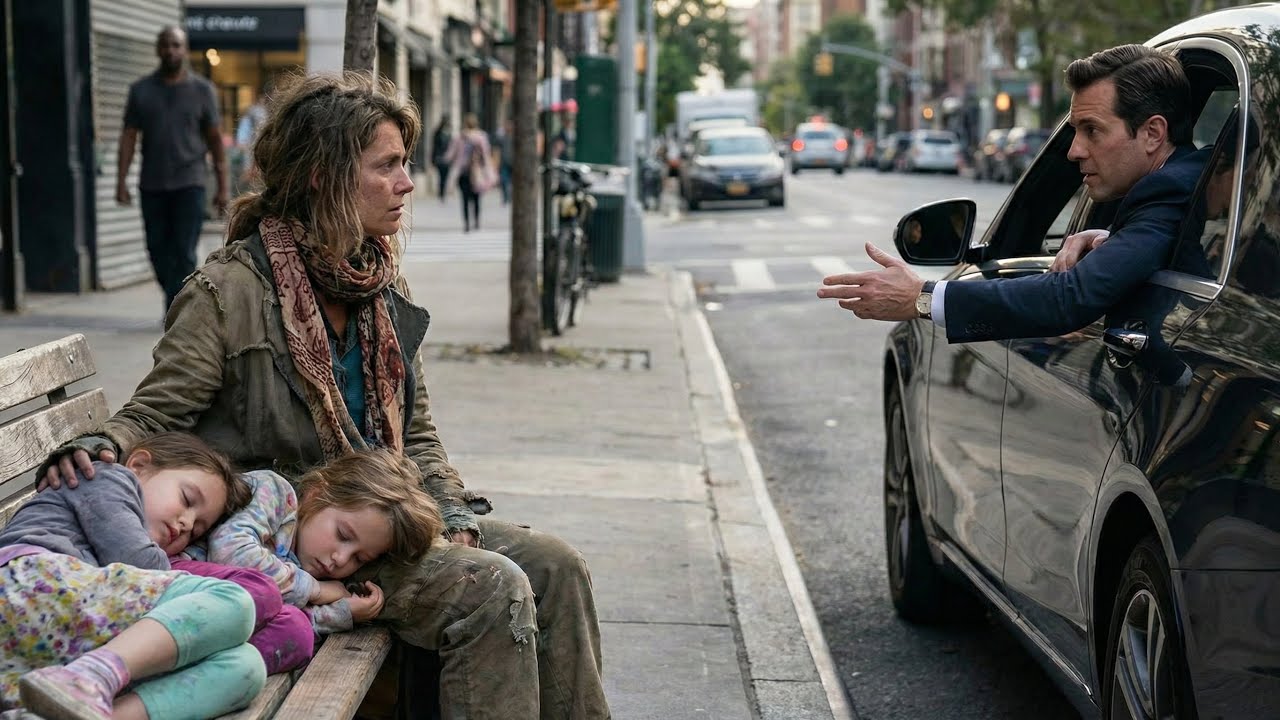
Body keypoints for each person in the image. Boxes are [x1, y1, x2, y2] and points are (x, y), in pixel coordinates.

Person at [40, 72, 609, 720]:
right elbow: (154, 413)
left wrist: (453, 516)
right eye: (387, 166)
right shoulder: (230, 293)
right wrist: (99, 442)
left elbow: (416, 436)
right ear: (324, 175)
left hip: (386, 516)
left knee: (558, 567)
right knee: (490, 589)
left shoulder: (383, 289)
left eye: (406, 164)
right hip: (299, 541)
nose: (407, 183)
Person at [818, 44, 1208, 343]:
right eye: (1074, 132)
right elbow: (1165, 244)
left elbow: (1069, 299)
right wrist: (1110, 239)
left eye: (1092, 130)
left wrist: (922, 297)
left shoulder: (1168, 192)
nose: (1074, 151)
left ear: (1153, 133)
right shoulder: (1179, 185)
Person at [0, 432, 265, 720]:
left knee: (245, 667)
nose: (186, 523)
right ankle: (89, 676)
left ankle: (82, 707)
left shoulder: (114, 594)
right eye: (187, 499)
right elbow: (138, 560)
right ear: (138, 465)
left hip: (38, 652)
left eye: (196, 531)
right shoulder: (107, 477)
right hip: (28, 583)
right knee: (232, 600)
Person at [190, 449, 441, 636]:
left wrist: (342, 613)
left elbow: (281, 622)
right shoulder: (275, 494)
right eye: (343, 535)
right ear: (316, 493)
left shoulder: (300, 570)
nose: (341, 559)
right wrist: (317, 590)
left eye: (359, 559)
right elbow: (230, 552)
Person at [116, 26, 228, 314]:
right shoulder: (140, 91)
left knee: (184, 252)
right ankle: (176, 300)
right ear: (158, 49)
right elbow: (129, 137)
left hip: (190, 183)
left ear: (184, 48)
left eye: (176, 45)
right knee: (156, 250)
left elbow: (215, 139)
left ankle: (177, 310)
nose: (170, 51)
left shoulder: (202, 91)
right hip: (152, 184)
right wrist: (121, 181)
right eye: (165, 45)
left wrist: (223, 186)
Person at [445, 113, 493, 233]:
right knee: (477, 198)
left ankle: (466, 223)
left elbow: (451, 154)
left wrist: (445, 159)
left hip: (463, 172)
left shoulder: (460, 137)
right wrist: (488, 171)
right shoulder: (481, 137)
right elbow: (486, 155)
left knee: (465, 199)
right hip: (477, 172)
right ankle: (476, 221)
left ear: (465, 124)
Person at [431, 114, 453, 203]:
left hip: (445, 158)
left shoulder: (448, 133)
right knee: (442, 177)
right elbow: (434, 147)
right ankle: (441, 193)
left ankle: (442, 193)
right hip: (441, 158)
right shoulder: (438, 132)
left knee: (444, 177)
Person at [494, 119, 514, 205]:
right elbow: (497, 151)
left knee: (512, 182)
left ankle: (510, 196)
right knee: (504, 181)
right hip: (504, 163)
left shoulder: (516, 138)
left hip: (513, 163)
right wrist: (496, 162)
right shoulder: (502, 138)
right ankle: (506, 197)